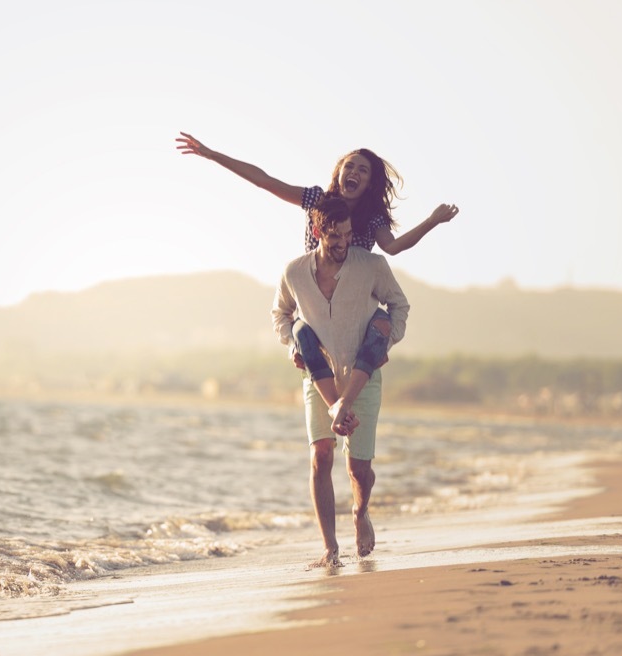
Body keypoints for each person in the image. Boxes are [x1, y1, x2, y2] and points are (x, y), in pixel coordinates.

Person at [177, 132, 455, 433]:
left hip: (354, 307)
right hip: (316, 301)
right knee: (301, 334)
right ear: (339, 172)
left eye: (363, 170)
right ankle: (337, 407)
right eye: (349, 166)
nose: (354, 173)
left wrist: (431, 221)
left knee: (379, 326)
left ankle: (344, 404)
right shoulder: (316, 200)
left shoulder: (372, 218)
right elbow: (265, 181)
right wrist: (212, 154)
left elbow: (394, 247)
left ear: (370, 183)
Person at [272, 194, 410, 568]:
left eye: (348, 236)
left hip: (362, 377)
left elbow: (399, 304)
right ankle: (331, 548)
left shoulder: (371, 266)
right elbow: (281, 315)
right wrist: (291, 345)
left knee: (357, 469)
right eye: (335, 237)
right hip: (319, 379)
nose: (343, 244)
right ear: (318, 231)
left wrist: (388, 340)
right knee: (320, 456)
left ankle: (360, 511)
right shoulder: (295, 272)